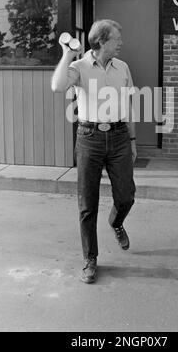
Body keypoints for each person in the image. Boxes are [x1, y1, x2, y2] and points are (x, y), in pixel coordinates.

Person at [51, 20, 137, 284]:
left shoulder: (123, 67)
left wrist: (132, 139)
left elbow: (129, 101)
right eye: (117, 38)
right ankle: (90, 259)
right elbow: (57, 86)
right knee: (87, 204)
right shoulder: (78, 67)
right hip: (89, 138)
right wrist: (67, 53)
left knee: (126, 196)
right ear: (102, 41)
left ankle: (116, 222)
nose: (121, 42)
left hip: (120, 135)